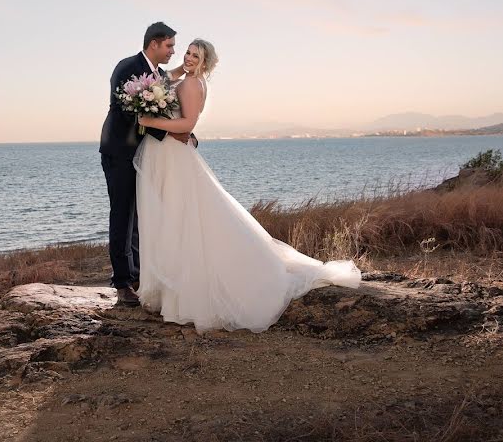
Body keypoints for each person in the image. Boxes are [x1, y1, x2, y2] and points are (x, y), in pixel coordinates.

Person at [134, 38, 362, 333]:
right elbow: (168, 84)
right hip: (171, 155)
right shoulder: (190, 79)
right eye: (187, 53)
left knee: (183, 219)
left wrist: (151, 122)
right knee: (179, 219)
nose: (189, 58)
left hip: (175, 158)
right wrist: (176, 73)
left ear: (205, 62)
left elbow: (188, 125)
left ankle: (188, 294)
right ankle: (173, 290)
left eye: (195, 55)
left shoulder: (192, 85)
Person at [99, 22, 198, 306]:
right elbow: (128, 110)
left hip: (143, 154)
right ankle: (122, 283)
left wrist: (183, 132)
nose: (173, 52)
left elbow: (164, 94)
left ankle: (138, 275)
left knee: (139, 216)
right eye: (169, 46)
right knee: (123, 215)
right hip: (120, 152)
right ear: (154, 43)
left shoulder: (155, 73)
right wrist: (175, 134)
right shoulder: (127, 66)